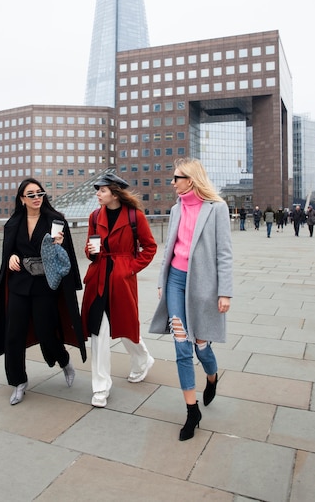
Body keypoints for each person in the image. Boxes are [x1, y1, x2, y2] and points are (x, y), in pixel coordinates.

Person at [149, 158, 232, 441]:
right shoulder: (176, 209)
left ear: (191, 179)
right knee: (182, 345)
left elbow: (224, 253)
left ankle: (211, 376)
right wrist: (162, 282)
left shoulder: (217, 209)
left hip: (203, 285)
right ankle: (191, 410)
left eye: (177, 177)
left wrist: (225, 292)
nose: (172, 182)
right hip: (175, 281)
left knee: (200, 346)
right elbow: (170, 249)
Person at [0, 178, 86, 405]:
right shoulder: (13, 223)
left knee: (46, 332)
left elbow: (66, 257)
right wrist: (12, 257)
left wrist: (58, 244)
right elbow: (9, 251)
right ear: (22, 199)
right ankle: (18, 382)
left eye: (39, 193)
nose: (36, 198)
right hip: (19, 284)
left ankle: (64, 361)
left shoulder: (56, 220)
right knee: (14, 334)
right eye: (31, 194)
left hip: (45, 285)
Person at [82, 172, 157, 408]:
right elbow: (89, 249)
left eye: (102, 190)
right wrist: (91, 251)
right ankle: (101, 387)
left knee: (125, 326)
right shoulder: (95, 216)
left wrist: (129, 268)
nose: (98, 194)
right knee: (99, 332)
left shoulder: (135, 216)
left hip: (121, 279)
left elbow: (149, 247)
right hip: (98, 279)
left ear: (114, 193)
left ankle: (143, 359)